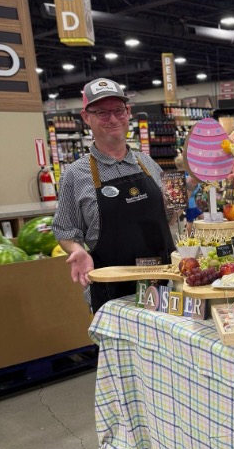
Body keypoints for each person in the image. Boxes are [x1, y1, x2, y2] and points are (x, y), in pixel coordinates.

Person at [53, 78, 174, 313]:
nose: (113, 118)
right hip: (113, 295)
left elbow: (169, 217)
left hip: (164, 287)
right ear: (86, 117)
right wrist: (77, 250)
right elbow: (65, 230)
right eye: (102, 112)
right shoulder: (75, 174)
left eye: (118, 110)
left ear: (128, 112)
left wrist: (190, 185)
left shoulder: (148, 163)